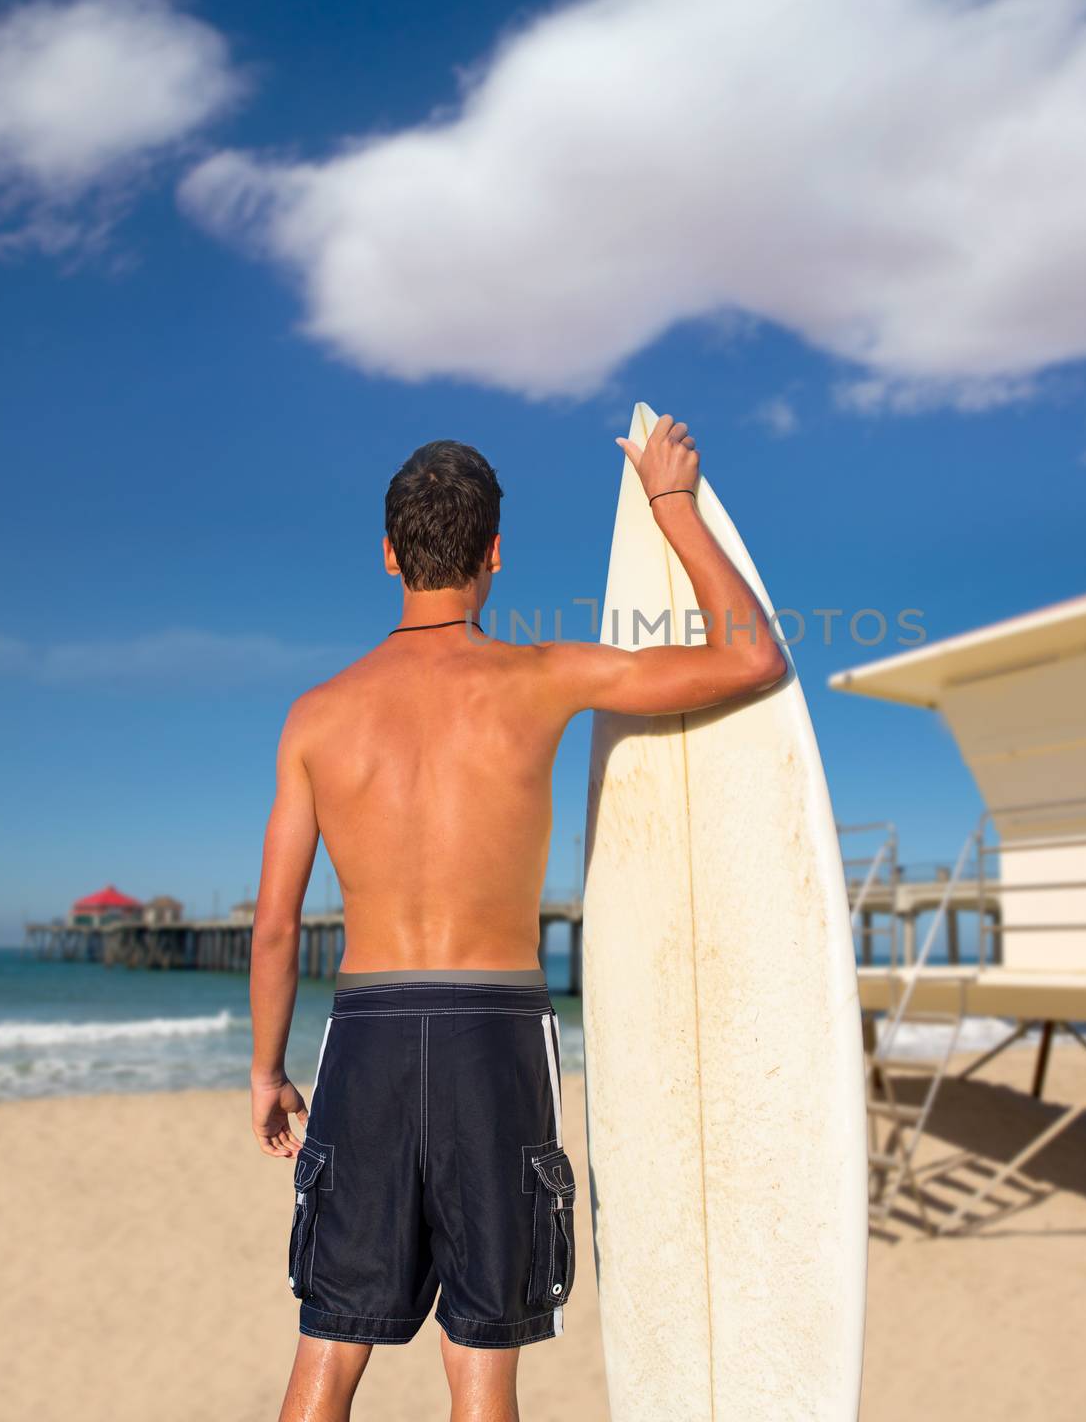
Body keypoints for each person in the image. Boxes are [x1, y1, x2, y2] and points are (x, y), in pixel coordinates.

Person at [248, 414, 786, 1422]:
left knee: (328, 1341)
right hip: (491, 1034)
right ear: (494, 552)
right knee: (483, 1357)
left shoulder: (316, 713)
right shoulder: (544, 677)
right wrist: (671, 501)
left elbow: (275, 925)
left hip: (362, 1030)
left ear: (386, 553)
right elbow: (751, 656)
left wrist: (267, 1069)